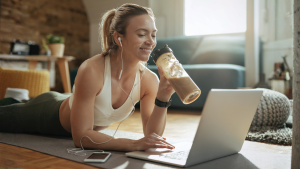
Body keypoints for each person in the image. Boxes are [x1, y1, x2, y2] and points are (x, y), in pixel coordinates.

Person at [0, 3, 176, 152]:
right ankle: (18, 100)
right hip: (48, 112)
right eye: (141, 34)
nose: (151, 41)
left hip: (71, 101)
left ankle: (18, 98)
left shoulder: (149, 80)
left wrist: (163, 97)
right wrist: (132, 144)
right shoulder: (92, 70)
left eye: (153, 34)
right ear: (119, 38)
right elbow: (81, 137)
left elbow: (153, 136)